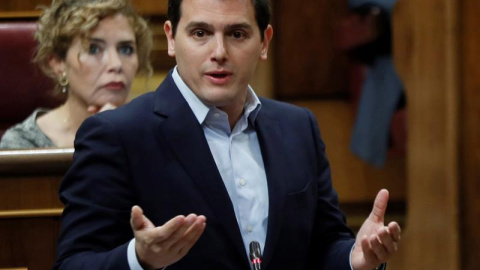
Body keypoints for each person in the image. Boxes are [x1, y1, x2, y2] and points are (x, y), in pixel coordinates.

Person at [54, 0, 401, 269]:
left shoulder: (298, 128)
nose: (218, 52)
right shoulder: (117, 135)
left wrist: (355, 259)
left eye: (237, 34)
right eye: (200, 33)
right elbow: (73, 264)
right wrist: (139, 259)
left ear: (264, 42)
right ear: (172, 38)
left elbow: (324, 246)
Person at [0, 0, 152, 149]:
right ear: (58, 63)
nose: (116, 64)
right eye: (93, 49)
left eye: (126, 49)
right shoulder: (23, 144)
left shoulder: (155, 132)